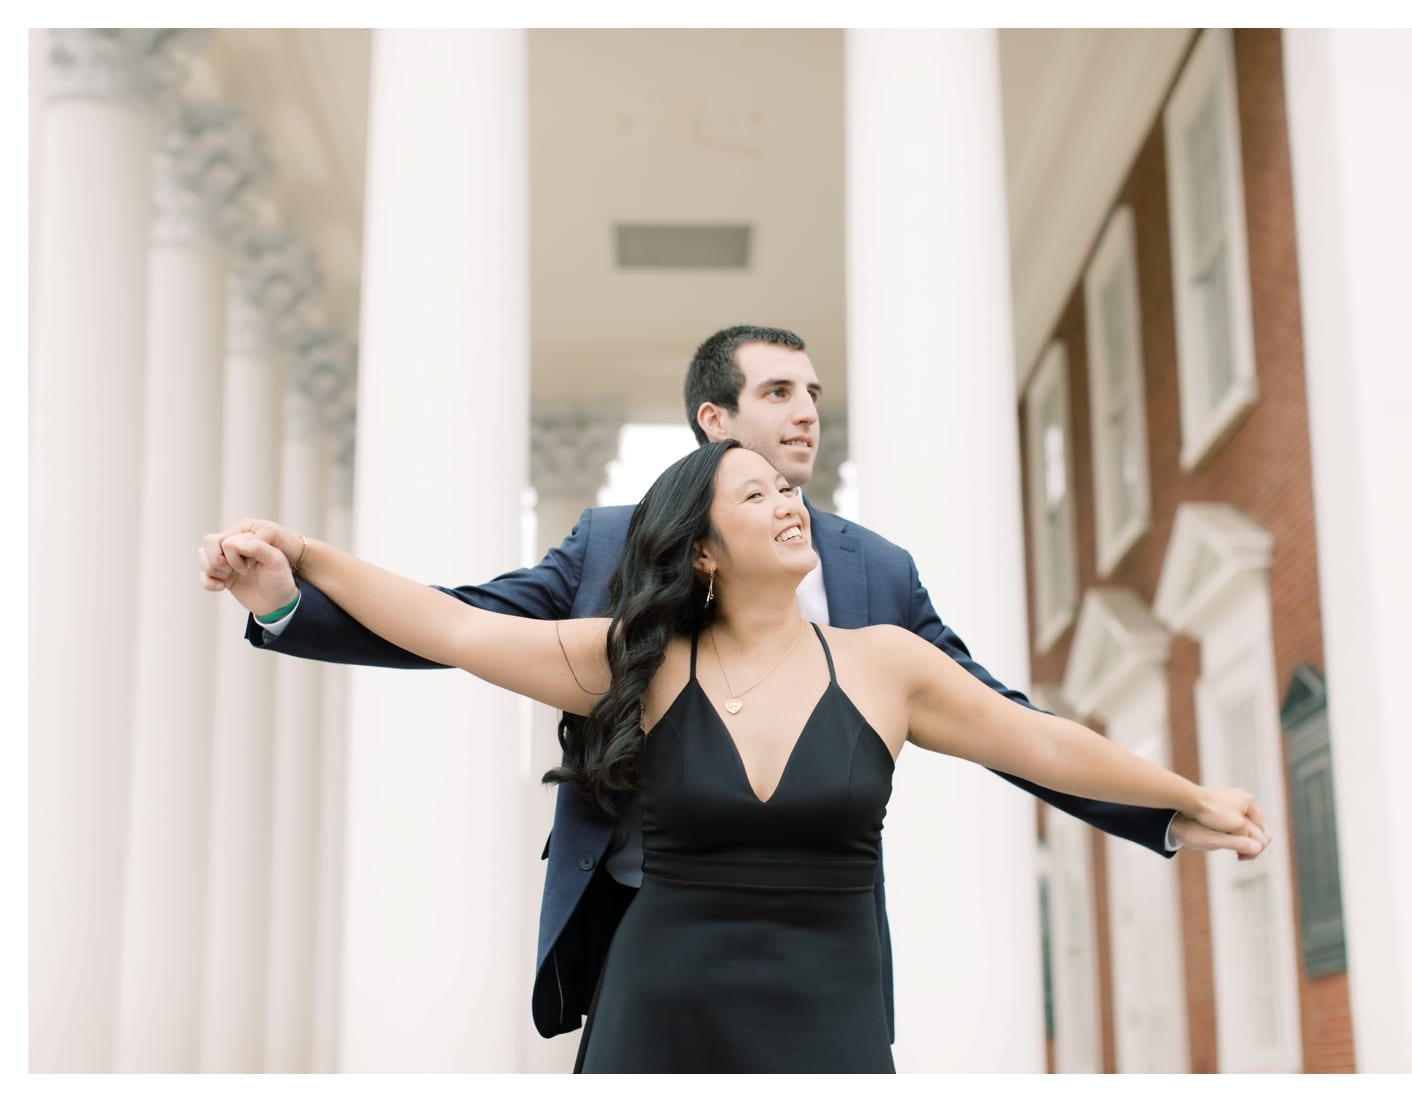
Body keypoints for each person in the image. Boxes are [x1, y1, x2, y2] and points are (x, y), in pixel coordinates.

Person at [199, 325, 1262, 1045]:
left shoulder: (878, 586)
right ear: (714, 424)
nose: (806, 416)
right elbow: (461, 625)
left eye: (813, 395)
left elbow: (1012, 725)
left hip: (820, 947)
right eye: (777, 395)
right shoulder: (620, 583)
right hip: (648, 934)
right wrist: (299, 579)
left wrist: (1175, 802)